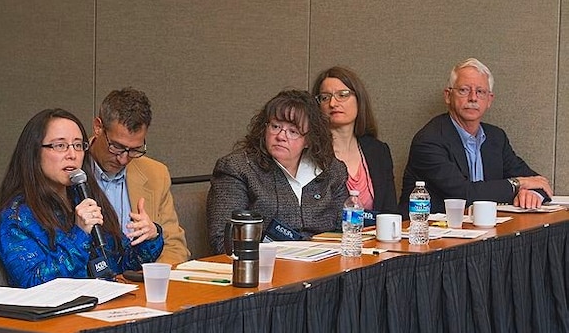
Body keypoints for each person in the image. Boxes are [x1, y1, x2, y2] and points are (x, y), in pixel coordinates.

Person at [0, 108, 164, 333]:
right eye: (59, 146)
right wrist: (79, 234)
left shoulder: (81, 197)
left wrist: (149, 236)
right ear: (34, 152)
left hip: (98, 320)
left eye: (77, 145)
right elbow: (38, 285)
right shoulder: (17, 216)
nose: (71, 154)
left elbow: (115, 263)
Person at [400, 58, 553, 212]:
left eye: (480, 92)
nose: (473, 98)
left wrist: (531, 193)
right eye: (464, 90)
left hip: (486, 231)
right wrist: (517, 185)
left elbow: (537, 182)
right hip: (430, 232)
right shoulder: (429, 140)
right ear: (448, 96)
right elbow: (463, 193)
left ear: (489, 100)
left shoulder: (496, 138)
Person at [206, 89, 348, 254]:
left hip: (325, 264)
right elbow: (224, 241)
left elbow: (345, 232)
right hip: (266, 267)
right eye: (275, 127)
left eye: (293, 131)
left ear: (309, 140)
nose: (281, 136)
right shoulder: (237, 168)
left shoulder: (331, 171)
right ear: (264, 128)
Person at [88, 88, 190, 264]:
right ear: (98, 128)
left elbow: (175, 247)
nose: (123, 159)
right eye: (117, 147)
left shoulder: (156, 174)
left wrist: (149, 279)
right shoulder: (69, 170)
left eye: (135, 149)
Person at [312, 66, 398, 214]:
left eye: (343, 95)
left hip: (375, 236)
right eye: (325, 97)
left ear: (359, 100)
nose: (333, 103)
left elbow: (390, 211)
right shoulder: (312, 152)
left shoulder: (378, 151)